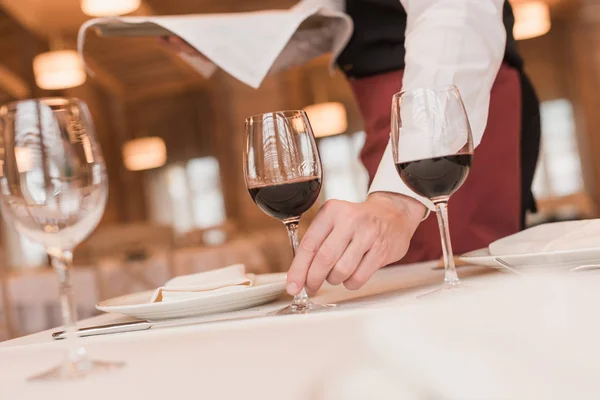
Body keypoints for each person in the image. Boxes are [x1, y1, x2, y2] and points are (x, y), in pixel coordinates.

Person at [163, 0, 540, 297]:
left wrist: (398, 201)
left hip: (445, 98)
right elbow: (337, 16)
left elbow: (456, 11)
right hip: (385, 105)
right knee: (408, 280)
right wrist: (224, 45)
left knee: (460, 280)